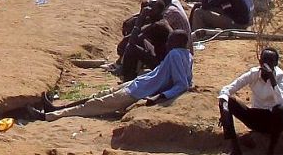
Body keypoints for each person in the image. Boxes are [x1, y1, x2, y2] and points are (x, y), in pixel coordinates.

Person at [40, 32, 194, 119]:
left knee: (95, 104)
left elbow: (182, 84)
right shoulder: (187, 55)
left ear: (177, 41)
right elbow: (187, 79)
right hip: (139, 83)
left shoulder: (174, 54)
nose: (168, 42)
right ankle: (57, 107)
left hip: (139, 91)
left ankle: (50, 116)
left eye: (171, 40)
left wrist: (160, 96)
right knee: (100, 95)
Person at [217, 48, 283, 155]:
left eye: (270, 61)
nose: (266, 64)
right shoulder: (254, 73)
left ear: (276, 63)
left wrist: (272, 78)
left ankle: (270, 153)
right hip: (257, 118)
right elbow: (228, 88)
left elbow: (280, 100)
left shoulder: (281, 77)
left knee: (279, 109)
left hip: (275, 121)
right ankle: (235, 148)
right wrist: (224, 109)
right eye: (264, 60)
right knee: (227, 100)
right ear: (260, 62)